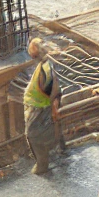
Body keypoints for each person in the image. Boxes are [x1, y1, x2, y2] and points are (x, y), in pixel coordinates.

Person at [23, 38, 61, 176]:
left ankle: (42, 164)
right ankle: (43, 162)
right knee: (34, 135)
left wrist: (53, 107)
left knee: (33, 135)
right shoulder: (43, 65)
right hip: (37, 106)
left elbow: (51, 90)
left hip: (40, 108)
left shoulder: (46, 68)